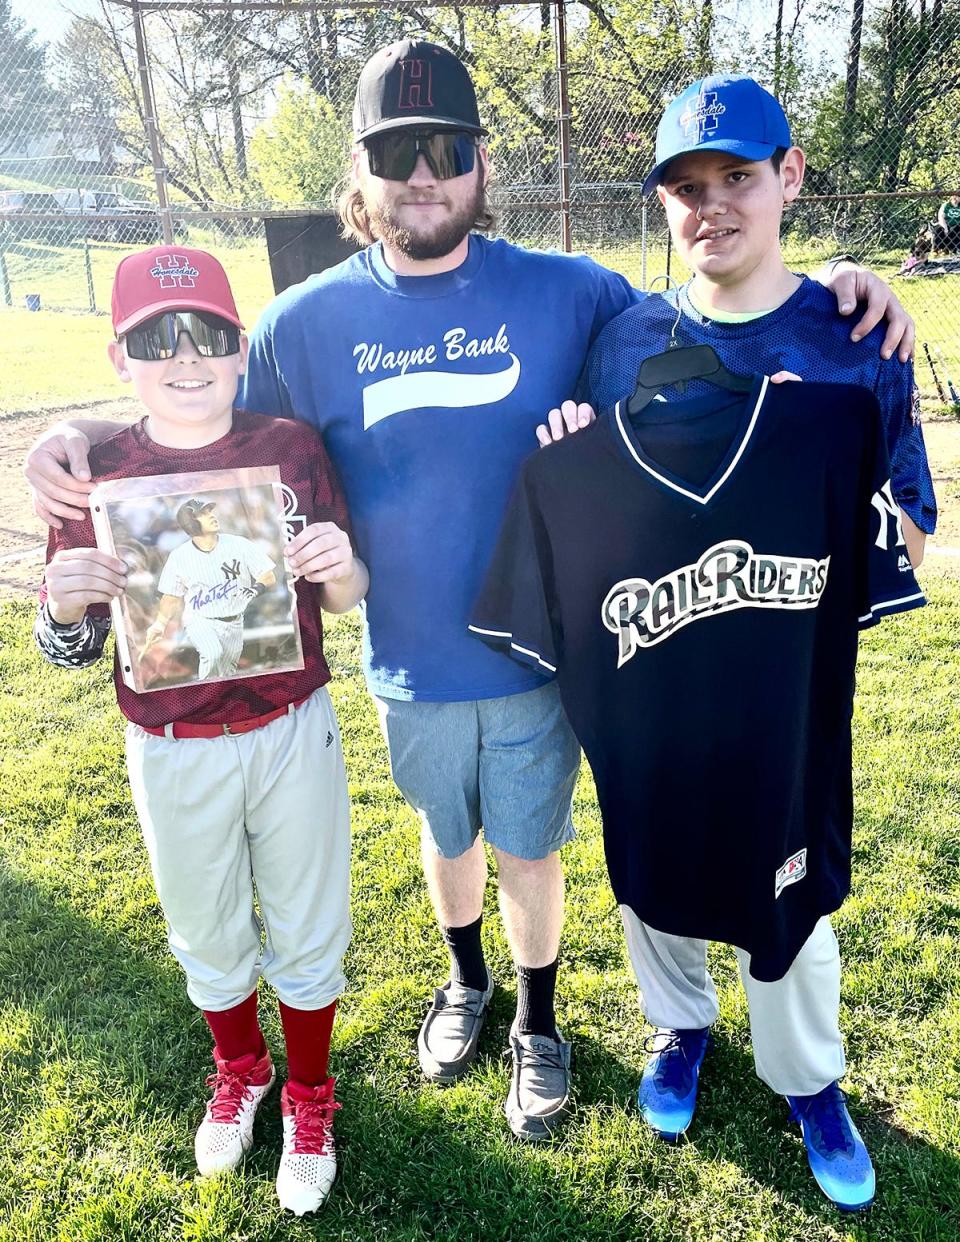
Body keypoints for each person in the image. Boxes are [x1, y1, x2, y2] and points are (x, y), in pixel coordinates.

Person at [25, 41, 915, 1143]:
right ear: (361, 176)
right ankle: (464, 984)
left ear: (481, 163)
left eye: (445, 150)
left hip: (544, 657)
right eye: (397, 156)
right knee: (443, 839)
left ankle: (539, 1020)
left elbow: (718, 300)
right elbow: (206, 441)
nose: (423, 176)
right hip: (406, 662)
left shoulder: (574, 292)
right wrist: (83, 442)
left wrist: (836, 288)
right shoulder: (300, 323)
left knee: (530, 850)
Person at [569, 76, 935, 1210]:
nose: (711, 205)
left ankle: (808, 1080)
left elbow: (912, 530)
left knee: (789, 902)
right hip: (661, 679)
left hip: (783, 688)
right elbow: (597, 505)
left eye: (737, 176)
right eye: (686, 186)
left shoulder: (854, 334)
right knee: (656, 874)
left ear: (790, 178)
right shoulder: (626, 335)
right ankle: (679, 1030)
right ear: (664, 206)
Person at [34, 246, 369, 1216]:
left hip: (289, 722)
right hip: (172, 744)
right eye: (156, 338)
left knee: (309, 922)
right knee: (205, 928)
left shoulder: (292, 447)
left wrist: (340, 564)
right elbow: (71, 646)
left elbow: (347, 596)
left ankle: (310, 1092)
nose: (186, 357)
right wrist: (61, 609)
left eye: (209, 336)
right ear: (120, 357)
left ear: (239, 348)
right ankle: (244, 1068)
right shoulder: (97, 471)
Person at [144, 497, 278, 679]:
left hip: (235, 621)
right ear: (191, 523)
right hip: (200, 619)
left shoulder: (238, 544)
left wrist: (255, 589)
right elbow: (172, 596)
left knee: (227, 673)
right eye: (203, 514)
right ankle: (204, 698)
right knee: (213, 653)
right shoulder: (179, 557)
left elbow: (268, 576)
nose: (212, 516)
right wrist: (160, 624)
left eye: (210, 511)